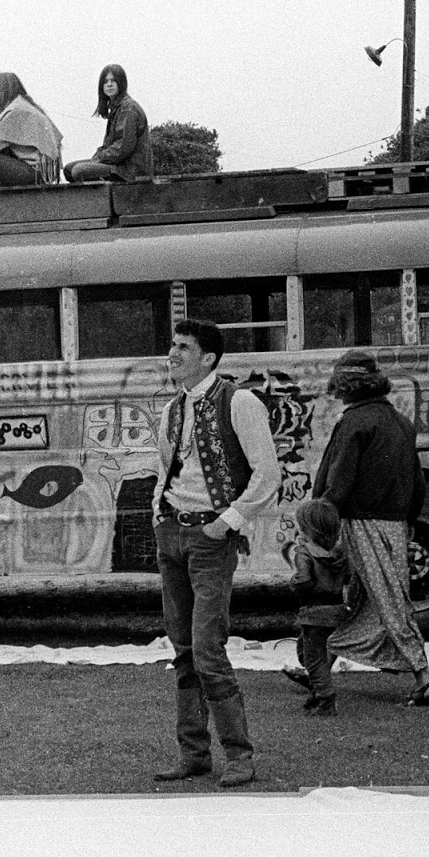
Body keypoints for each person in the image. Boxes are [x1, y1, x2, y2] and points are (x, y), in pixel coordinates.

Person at [151, 318, 279, 788]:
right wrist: (159, 515)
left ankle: (239, 755)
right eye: (172, 344)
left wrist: (225, 524)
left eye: (183, 347)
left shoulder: (239, 402)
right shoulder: (172, 409)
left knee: (207, 649)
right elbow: (165, 469)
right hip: (173, 536)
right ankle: (194, 755)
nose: (173, 354)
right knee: (183, 650)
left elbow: (267, 475)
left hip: (209, 540)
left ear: (208, 358)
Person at [308, 349, 429, 707]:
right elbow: (417, 482)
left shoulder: (353, 423)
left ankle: (424, 675)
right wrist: (409, 520)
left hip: (362, 523)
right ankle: (319, 669)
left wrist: (320, 515)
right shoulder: (400, 422)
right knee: (366, 597)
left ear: (347, 386)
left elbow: (338, 479)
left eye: (337, 386)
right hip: (396, 525)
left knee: (385, 599)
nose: (335, 392)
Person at [283, 499, 358, 717]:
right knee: (311, 650)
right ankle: (317, 692)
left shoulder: (304, 553)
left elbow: (304, 582)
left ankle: (326, 699)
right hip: (335, 611)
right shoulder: (339, 554)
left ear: (307, 529)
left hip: (314, 613)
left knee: (313, 660)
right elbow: (348, 577)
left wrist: (294, 584)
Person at [0, 72, 63, 191]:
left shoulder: (18, 110)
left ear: (2, 91)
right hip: (42, 174)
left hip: (33, 174)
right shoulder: (27, 107)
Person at [63, 63, 153, 183]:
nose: (109, 84)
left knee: (78, 171)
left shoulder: (128, 108)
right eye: (105, 81)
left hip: (129, 170)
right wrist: (97, 156)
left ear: (121, 83)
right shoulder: (117, 108)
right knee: (68, 169)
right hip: (117, 165)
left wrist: (99, 158)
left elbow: (123, 148)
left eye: (113, 80)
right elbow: (109, 145)